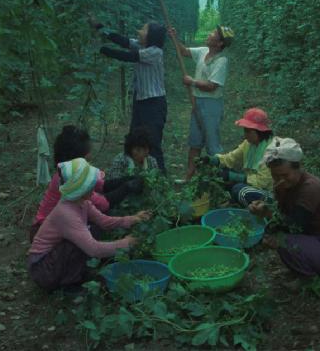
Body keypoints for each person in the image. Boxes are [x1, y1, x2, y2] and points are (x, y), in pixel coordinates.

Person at [28, 158, 152, 292]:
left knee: (94, 230)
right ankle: (69, 283)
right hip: (42, 269)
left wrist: (132, 219)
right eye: (91, 184)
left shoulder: (82, 202)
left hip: (52, 258)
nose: (94, 187)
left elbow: (104, 221)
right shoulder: (66, 213)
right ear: (82, 188)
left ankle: (75, 273)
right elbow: (94, 249)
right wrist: (126, 243)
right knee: (76, 245)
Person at [248, 139, 320, 280]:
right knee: (277, 236)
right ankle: (305, 267)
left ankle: (309, 280)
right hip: (313, 239)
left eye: (285, 175)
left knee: (282, 240)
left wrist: (267, 215)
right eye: (275, 175)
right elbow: (282, 213)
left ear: (298, 168)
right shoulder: (282, 185)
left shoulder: (310, 188)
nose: (280, 180)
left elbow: (295, 226)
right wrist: (264, 209)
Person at [31, 125, 143, 240]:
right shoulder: (68, 180)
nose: (90, 158)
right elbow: (103, 204)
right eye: (86, 158)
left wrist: (127, 180)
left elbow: (101, 185)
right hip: (44, 231)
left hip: (57, 224)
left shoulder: (71, 171)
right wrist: (126, 187)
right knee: (95, 231)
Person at [91, 19, 168, 172]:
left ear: (151, 36)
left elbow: (128, 56)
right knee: (134, 139)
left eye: (143, 29)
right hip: (140, 102)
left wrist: (102, 49)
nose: (139, 31)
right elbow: (123, 41)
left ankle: (160, 179)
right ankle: (135, 172)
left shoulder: (155, 52)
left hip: (154, 104)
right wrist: (101, 28)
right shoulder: (141, 45)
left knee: (152, 143)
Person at [169, 25, 234, 179]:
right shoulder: (203, 51)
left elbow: (212, 86)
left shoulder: (221, 61)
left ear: (219, 43)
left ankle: (219, 178)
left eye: (213, 33)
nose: (210, 34)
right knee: (195, 142)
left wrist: (192, 82)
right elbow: (184, 51)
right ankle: (189, 176)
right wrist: (174, 38)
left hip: (212, 105)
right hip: (197, 101)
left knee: (212, 144)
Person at [202, 107, 276, 206]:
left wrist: (236, 177)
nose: (245, 135)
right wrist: (213, 160)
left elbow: (263, 182)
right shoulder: (248, 144)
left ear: (259, 131)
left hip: (269, 191)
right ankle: (234, 200)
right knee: (219, 174)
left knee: (240, 190)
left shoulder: (272, 150)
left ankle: (256, 206)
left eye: (248, 132)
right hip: (250, 183)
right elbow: (230, 158)